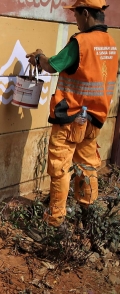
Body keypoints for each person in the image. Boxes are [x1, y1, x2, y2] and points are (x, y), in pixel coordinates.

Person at [25, 0, 118, 241]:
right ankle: (89, 219)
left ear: (85, 13)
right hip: (94, 119)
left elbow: (52, 65)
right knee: (87, 166)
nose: (74, 19)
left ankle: (54, 223)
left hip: (71, 117)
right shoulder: (110, 43)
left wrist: (39, 56)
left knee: (60, 168)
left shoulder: (81, 42)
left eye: (76, 14)